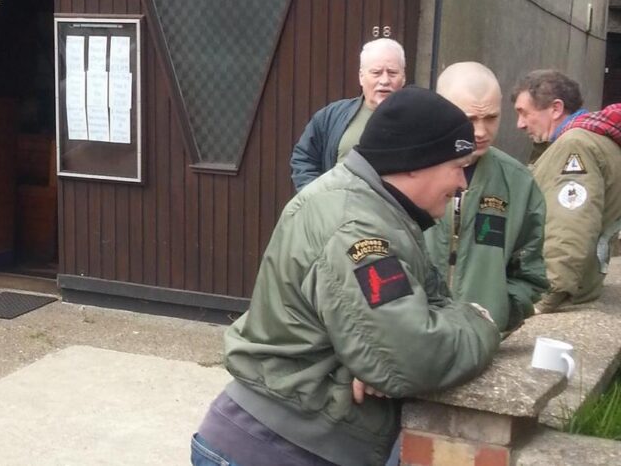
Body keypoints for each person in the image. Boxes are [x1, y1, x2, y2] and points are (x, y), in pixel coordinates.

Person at [193, 87, 500, 466]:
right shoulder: (356, 228)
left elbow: (413, 327)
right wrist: (482, 322)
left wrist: (377, 356)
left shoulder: (376, 209)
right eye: (457, 166)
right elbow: (410, 356)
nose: (463, 183)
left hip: (280, 443)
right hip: (274, 449)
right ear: (415, 162)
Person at [424, 62, 548, 331]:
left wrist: (501, 312)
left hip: (484, 338)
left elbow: (530, 269)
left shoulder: (518, 182)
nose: (481, 132)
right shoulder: (410, 174)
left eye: (491, 118)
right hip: (415, 338)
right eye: (469, 119)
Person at [513, 70, 621, 313]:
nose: (520, 124)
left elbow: (571, 225)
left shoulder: (575, 146)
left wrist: (545, 296)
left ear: (555, 108)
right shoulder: (593, 140)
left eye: (524, 112)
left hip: (561, 290)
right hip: (582, 281)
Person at [290, 38, 406, 191]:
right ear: (361, 77)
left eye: (392, 73)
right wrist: (318, 198)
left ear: (403, 77)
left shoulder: (418, 121)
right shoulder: (332, 116)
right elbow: (304, 159)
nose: (384, 80)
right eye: (376, 73)